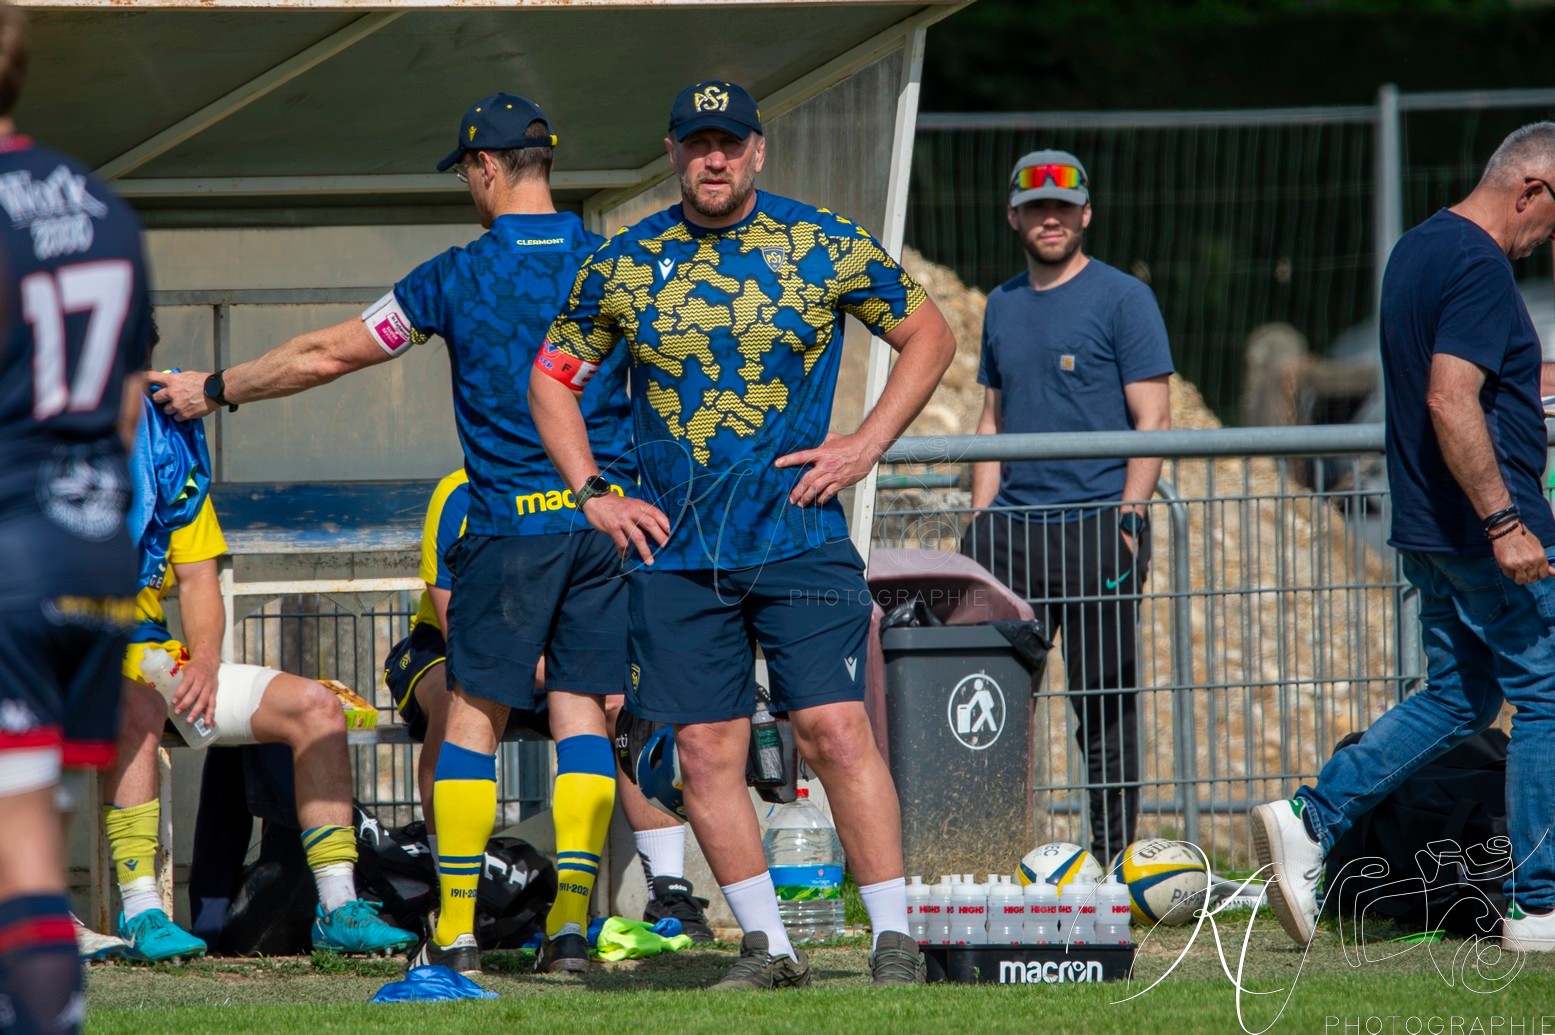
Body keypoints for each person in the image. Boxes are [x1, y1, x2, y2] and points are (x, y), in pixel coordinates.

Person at [154, 93, 639, 977]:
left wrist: (216, 386)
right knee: (581, 717)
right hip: (600, 528)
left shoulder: (454, 275)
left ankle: (453, 929)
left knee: (475, 721)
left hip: (505, 526)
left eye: (465, 173)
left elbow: (327, 353)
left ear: (485, 168)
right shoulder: (615, 265)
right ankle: (569, 929)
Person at [529, 80, 956, 989]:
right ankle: (769, 948)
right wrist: (593, 491)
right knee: (702, 749)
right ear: (674, 153)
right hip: (674, 554)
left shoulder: (822, 242)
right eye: (695, 144)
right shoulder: (624, 262)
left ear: (758, 151)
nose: (712, 159)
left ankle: (894, 939)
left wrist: (864, 444)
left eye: (728, 143)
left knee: (834, 728)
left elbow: (928, 333)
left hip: (798, 536)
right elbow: (553, 375)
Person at [1252, 123, 1555, 953]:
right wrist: (1505, 522)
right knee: (1546, 691)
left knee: (1458, 696)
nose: (1549, 236)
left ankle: (1312, 817)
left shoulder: (1418, 248)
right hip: (1483, 526)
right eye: (1553, 215)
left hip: (1424, 522)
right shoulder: (1481, 266)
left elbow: (1459, 374)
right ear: (1529, 187)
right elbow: (1449, 398)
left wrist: (1530, 391)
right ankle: (1538, 901)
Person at [104, 400, 416, 962]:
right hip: (59, 652)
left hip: (149, 654)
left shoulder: (166, 453)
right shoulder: (40, 436)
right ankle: (140, 908)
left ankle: (337, 907)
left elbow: (199, 580)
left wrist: (202, 661)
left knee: (318, 708)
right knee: (138, 705)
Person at [382, 469, 712, 940]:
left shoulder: (605, 486)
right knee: (456, 701)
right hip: (460, 645)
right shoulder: (462, 489)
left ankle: (669, 889)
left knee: (624, 704)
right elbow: (461, 633)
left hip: (560, 648)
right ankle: (453, 890)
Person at [0, 3, 151, 1028]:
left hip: (6, 552)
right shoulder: (105, 206)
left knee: (17, 863)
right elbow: (130, 402)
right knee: (33, 855)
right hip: (95, 553)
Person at [959, 150, 1172, 865]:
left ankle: (1113, 862)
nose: (1048, 220)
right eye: (1033, 208)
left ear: (1085, 214)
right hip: (1010, 536)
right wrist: (979, 527)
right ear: (1012, 216)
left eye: (1062, 208)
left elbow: (1152, 418)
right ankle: (986, 861)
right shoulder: (1000, 304)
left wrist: (1130, 515)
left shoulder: (1122, 299)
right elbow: (992, 422)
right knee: (990, 705)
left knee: (1103, 703)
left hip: (1096, 530)